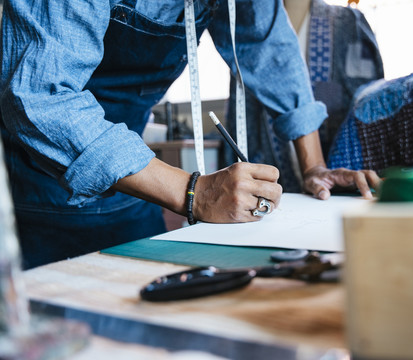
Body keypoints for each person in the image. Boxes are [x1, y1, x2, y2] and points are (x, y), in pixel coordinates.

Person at [0, 0, 380, 269]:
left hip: (133, 177)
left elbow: (271, 50)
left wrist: (314, 167)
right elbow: (41, 98)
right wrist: (195, 193)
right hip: (36, 179)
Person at [224, 0, 384, 192]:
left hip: (331, 162)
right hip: (266, 160)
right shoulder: (244, 28)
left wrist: (315, 167)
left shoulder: (349, 21)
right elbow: (239, 113)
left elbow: (367, 102)